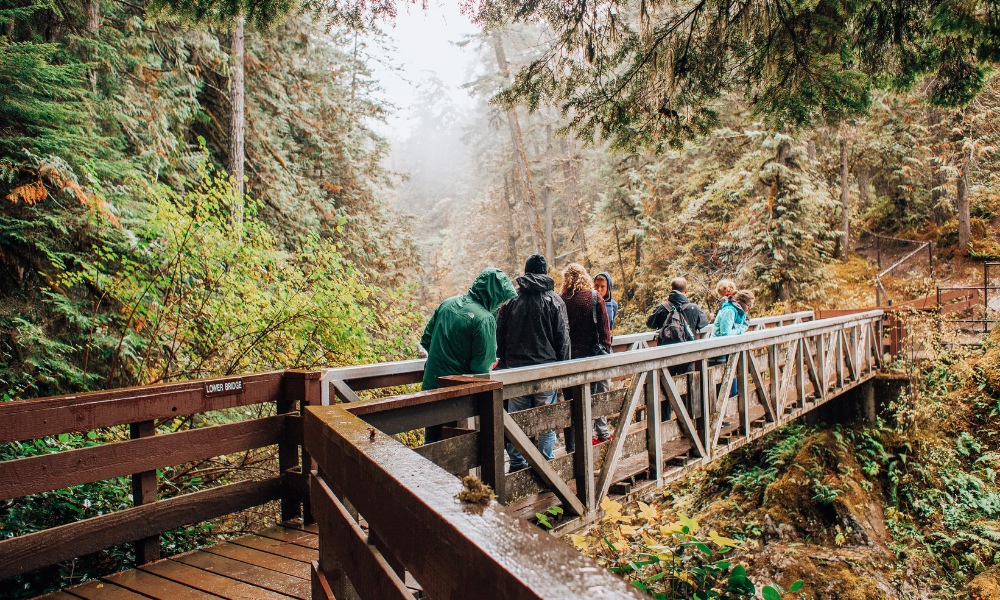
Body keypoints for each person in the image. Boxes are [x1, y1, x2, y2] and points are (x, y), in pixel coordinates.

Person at [419, 267, 516, 444]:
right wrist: (490, 362)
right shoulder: (484, 319)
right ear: (494, 295)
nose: (502, 304)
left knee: (431, 444)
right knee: (458, 451)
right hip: (458, 398)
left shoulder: (447, 304)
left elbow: (426, 340)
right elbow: (481, 368)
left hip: (431, 387)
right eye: (501, 299)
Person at [496, 254, 570, 472]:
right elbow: (563, 339)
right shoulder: (555, 301)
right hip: (546, 370)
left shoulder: (510, 301)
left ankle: (517, 464)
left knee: (516, 419)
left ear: (526, 271)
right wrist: (564, 371)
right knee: (546, 419)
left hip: (516, 371)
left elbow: (500, 338)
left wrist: (506, 364)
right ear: (545, 272)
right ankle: (545, 466)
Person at [560, 263, 613, 448]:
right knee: (593, 399)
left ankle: (573, 447)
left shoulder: (560, 300)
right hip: (591, 358)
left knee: (572, 404)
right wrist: (604, 355)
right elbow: (605, 333)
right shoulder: (594, 297)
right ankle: (594, 439)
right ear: (585, 277)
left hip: (569, 360)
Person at [647, 277, 710, 372]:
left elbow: (650, 324)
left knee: (666, 382)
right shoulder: (695, 308)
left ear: (672, 289)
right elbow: (704, 324)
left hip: (666, 355)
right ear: (686, 291)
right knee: (689, 383)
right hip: (688, 355)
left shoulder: (662, 307)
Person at [710, 289, 755, 399]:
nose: (750, 308)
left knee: (732, 383)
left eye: (751, 305)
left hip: (726, 351)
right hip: (718, 352)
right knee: (724, 387)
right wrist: (742, 329)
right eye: (749, 305)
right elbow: (725, 334)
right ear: (740, 302)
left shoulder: (738, 311)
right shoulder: (730, 311)